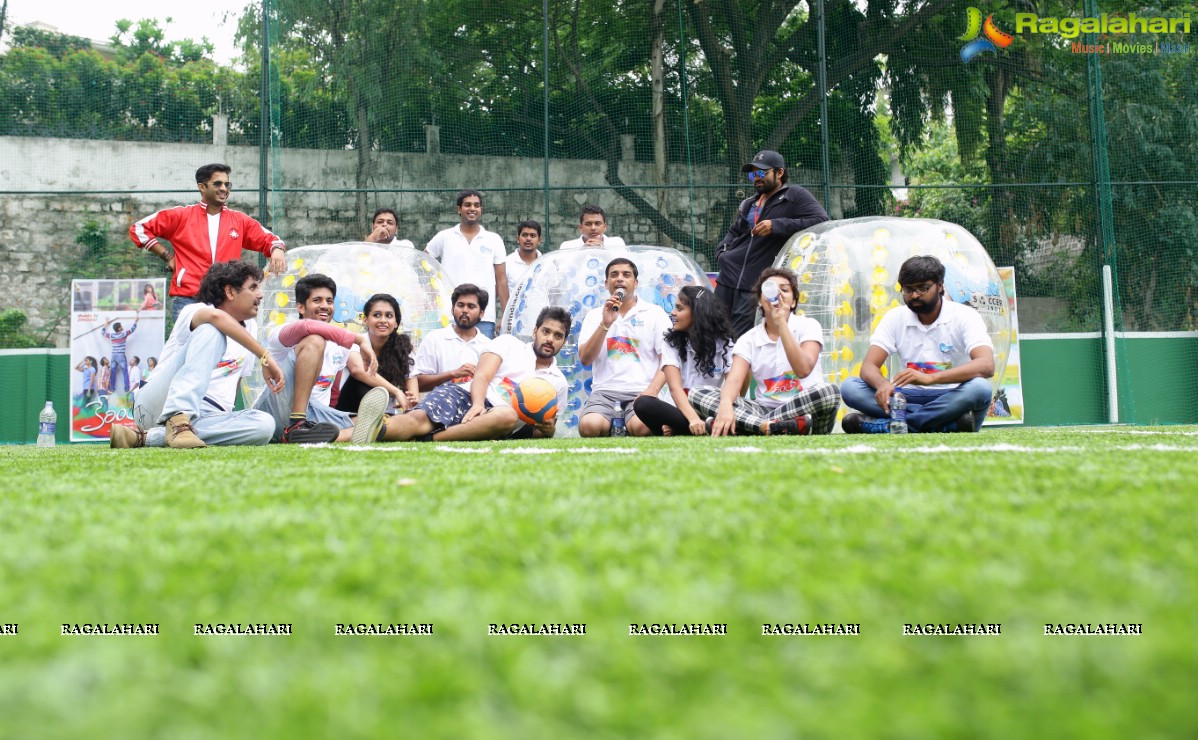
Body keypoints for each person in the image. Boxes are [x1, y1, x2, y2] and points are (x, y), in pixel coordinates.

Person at [112, 261, 285, 449]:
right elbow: (217, 319)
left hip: (205, 417)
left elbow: (234, 383)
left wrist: (226, 422)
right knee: (212, 331)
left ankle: (145, 438)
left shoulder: (250, 327)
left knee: (264, 425)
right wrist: (264, 356)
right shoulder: (195, 311)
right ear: (230, 292)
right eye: (253, 287)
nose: (260, 294)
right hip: (158, 405)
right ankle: (178, 418)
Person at [841, 255, 994, 433]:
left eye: (923, 288)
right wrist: (882, 384)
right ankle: (946, 424)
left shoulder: (964, 315)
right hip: (904, 398)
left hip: (952, 394)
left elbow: (986, 365)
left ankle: (891, 425)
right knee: (850, 387)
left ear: (940, 286)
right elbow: (868, 367)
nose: (914, 295)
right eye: (908, 290)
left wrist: (930, 378)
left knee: (980, 388)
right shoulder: (895, 317)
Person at [377, 306, 571, 442]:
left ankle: (430, 439)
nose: (550, 339)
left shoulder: (558, 383)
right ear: (535, 331)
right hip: (464, 395)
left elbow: (540, 431)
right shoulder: (508, 343)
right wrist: (477, 404)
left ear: (563, 342)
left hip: (494, 420)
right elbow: (482, 376)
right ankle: (356, 433)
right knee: (418, 420)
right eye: (546, 331)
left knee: (507, 416)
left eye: (558, 336)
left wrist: (548, 430)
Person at [691, 268, 841, 436]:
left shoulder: (808, 326)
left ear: (793, 302)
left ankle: (753, 427)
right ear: (760, 302)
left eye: (784, 290)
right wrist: (725, 408)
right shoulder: (748, 339)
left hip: (806, 409)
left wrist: (781, 324)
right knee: (697, 393)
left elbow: (803, 369)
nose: (777, 295)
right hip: (762, 408)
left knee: (828, 392)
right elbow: (734, 380)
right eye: (770, 290)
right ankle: (773, 426)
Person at [129, 163, 287, 318]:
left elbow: (272, 240)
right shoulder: (180, 215)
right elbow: (138, 229)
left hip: (226, 300)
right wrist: (168, 256)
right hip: (188, 300)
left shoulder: (239, 220)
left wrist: (277, 251)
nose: (224, 188)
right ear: (202, 187)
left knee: (224, 345)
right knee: (190, 345)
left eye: (227, 184)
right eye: (217, 183)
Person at [252, 274, 387, 444]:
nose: (325, 306)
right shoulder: (282, 332)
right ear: (301, 307)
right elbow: (307, 326)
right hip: (275, 411)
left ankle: (316, 434)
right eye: (317, 300)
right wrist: (360, 339)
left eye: (329, 301)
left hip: (313, 416)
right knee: (315, 339)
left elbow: (333, 391)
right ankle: (298, 425)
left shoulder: (341, 347)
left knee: (377, 424)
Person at [714, 150, 829, 337]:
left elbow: (821, 220)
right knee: (713, 334)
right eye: (753, 174)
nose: (755, 179)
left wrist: (777, 225)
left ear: (779, 173)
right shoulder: (749, 204)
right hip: (727, 277)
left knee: (740, 338)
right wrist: (722, 252)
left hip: (754, 284)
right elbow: (735, 232)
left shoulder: (795, 195)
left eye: (761, 173)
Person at [577, 257, 672, 437]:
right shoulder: (594, 315)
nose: (620, 279)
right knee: (589, 427)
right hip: (604, 392)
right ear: (606, 283)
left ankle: (627, 427)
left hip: (641, 392)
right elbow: (585, 359)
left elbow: (667, 361)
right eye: (614, 275)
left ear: (635, 283)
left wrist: (650, 392)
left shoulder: (655, 313)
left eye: (626, 275)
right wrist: (605, 324)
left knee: (644, 428)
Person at [632, 286, 734, 436]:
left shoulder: (725, 343)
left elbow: (734, 384)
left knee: (732, 410)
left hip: (710, 410)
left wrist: (725, 411)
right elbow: (675, 389)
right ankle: (700, 428)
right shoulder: (670, 342)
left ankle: (683, 429)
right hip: (678, 411)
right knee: (643, 403)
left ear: (698, 313)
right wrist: (693, 419)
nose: (673, 313)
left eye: (679, 308)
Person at [425, 190, 508, 338]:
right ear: (459, 209)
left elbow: (501, 280)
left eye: (476, 205)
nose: (472, 208)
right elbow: (424, 262)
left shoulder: (494, 239)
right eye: (467, 205)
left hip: (484, 316)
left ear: (481, 210)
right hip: (449, 314)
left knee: (482, 360)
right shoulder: (445, 236)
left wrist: (505, 315)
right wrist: (433, 294)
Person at [335, 293, 418, 416]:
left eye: (389, 316)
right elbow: (358, 370)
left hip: (387, 413)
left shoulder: (402, 348)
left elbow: (410, 378)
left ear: (395, 323)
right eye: (377, 315)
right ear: (365, 320)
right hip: (350, 410)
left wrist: (412, 400)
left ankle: (384, 421)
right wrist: (397, 392)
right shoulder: (356, 342)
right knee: (362, 379)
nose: (383, 320)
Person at [411, 284, 493, 393]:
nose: (465, 310)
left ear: (481, 314)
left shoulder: (488, 346)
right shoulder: (434, 339)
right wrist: (452, 374)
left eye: (471, 306)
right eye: (460, 305)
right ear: (452, 309)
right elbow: (417, 384)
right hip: (437, 406)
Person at [558, 205, 627, 250]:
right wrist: (583, 251)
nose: (593, 228)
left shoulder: (617, 243)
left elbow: (623, 268)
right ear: (580, 228)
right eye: (588, 224)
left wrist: (603, 251)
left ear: (605, 227)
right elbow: (564, 270)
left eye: (597, 224)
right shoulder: (567, 246)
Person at [101, 314, 138, 394]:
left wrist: (106, 323)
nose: (122, 326)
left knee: (113, 372)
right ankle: (127, 388)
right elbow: (132, 329)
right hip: (121, 355)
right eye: (121, 326)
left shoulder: (112, 335)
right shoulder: (123, 334)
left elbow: (103, 332)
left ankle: (112, 388)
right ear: (119, 328)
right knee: (125, 372)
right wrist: (136, 321)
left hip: (114, 355)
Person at [505, 220, 543, 295]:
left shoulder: (546, 264)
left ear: (539, 240)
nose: (528, 239)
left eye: (532, 235)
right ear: (517, 239)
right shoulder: (507, 263)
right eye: (524, 235)